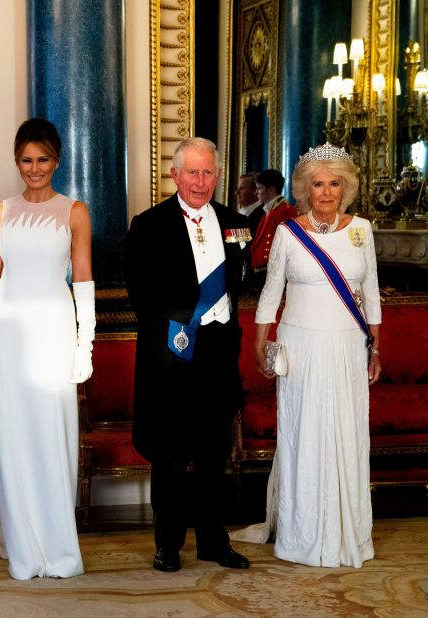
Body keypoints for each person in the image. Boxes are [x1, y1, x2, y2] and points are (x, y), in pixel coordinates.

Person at [0, 117, 94, 580]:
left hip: (56, 332)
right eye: (26, 160)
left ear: (57, 161)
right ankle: (22, 545)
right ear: (17, 161)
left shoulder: (75, 211)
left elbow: (83, 282)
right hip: (11, 335)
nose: (34, 168)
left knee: (53, 437)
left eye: (43, 160)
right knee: (15, 439)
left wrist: (86, 347)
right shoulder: (0, 211)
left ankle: (59, 548)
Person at [247, 143, 382, 568]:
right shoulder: (289, 232)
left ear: (346, 188)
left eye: (334, 184)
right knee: (304, 432)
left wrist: (375, 346)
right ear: (305, 188)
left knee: (346, 432)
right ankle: (302, 533)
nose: (326, 192)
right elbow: (271, 292)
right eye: (318, 184)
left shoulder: (362, 229)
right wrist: (258, 341)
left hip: (346, 344)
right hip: (301, 345)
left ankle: (347, 533)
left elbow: (372, 293)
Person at [124, 137, 251, 573]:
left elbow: (240, 285)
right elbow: (140, 295)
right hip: (173, 352)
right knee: (172, 454)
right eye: (192, 172)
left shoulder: (236, 224)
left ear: (218, 175)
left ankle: (214, 542)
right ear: (174, 175)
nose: (200, 181)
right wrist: (180, 328)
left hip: (218, 353)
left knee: (215, 454)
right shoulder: (149, 225)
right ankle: (168, 546)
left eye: (208, 172)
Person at [249, 169, 297, 283]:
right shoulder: (269, 211)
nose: (256, 193)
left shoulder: (284, 210)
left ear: (271, 190)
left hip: (272, 273)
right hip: (261, 272)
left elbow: (288, 247)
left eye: (259, 188)